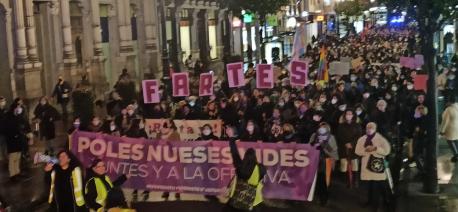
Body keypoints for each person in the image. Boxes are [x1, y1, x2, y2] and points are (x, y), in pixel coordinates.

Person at [225, 126, 266, 212]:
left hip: (238, 198)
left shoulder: (240, 166)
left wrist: (232, 139)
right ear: (255, 157)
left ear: (245, 157)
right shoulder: (261, 168)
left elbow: (234, 153)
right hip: (255, 201)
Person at [355, 122, 391, 212]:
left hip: (376, 165)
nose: (369, 129)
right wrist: (366, 150)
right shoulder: (362, 139)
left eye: (371, 128)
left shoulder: (381, 139)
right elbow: (357, 151)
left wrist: (376, 149)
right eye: (368, 127)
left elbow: (387, 151)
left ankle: (377, 205)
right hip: (366, 166)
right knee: (369, 186)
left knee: (377, 186)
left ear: (375, 129)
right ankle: (370, 201)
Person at [309, 122, 339, 206]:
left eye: (324, 127)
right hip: (316, 160)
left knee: (325, 181)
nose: (322, 129)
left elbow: (333, 150)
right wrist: (314, 145)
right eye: (320, 127)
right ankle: (318, 196)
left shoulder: (331, 137)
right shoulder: (314, 135)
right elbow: (309, 146)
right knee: (317, 180)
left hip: (326, 161)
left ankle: (324, 199)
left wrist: (323, 144)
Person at [5, 104, 32, 181]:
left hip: (18, 140)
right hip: (12, 140)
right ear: (14, 108)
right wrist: (15, 135)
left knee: (18, 156)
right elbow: (7, 129)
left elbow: (22, 126)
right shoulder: (9, 117)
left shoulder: (18, 117)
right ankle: (12, 174)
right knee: (13, 157)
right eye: (17, 108)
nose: (19, 109)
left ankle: (17, 172)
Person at [336, 109, 363, 187]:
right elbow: (339, 136)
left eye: (350, 114)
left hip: (354, 147)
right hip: (343, 147)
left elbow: (359, 136)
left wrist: (352, 143)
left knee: (354, 164)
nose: (349, 115)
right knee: (344, 164)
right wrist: (345, 143)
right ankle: (346, 181)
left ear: (353, 115)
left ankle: (355, 181)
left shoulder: (357, 125)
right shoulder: (341, 125)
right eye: (347, 114)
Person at [440, 97, 458, 162]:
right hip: (457, 127)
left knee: (450, 141)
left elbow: (445, 121)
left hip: (451, 129)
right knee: (456, 141)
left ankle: (456, 155)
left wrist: (442, 131)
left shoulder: (448, 109)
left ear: (450, 102)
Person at [0, 97, 7, 162]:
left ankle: (5, 157)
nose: (3, 102)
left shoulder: (5, 110)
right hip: (1, 130)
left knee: (5, 144)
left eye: (4, 101)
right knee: (2, 144)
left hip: (6, 129)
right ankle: (3, 157)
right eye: (1, 101)